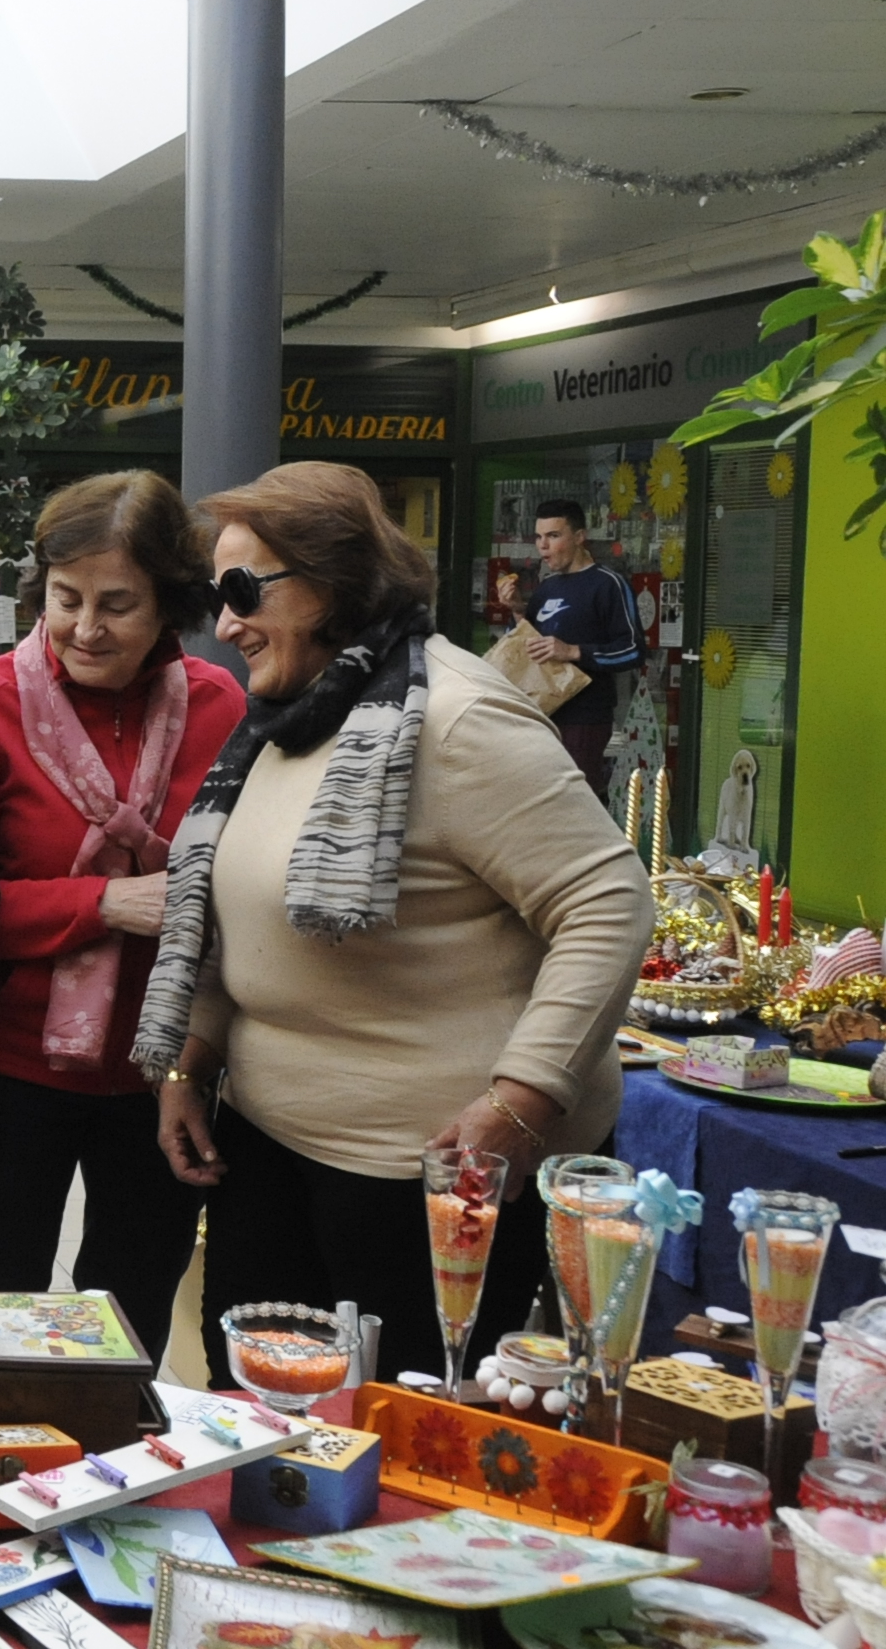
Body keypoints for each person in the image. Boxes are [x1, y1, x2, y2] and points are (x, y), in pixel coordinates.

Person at [139, 463, 655, 1387]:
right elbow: (238, 907)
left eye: (243, 591)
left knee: (402, 1446)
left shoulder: (457, 721)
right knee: (257, 1423)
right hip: (269, 1150)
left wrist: (520, 1102)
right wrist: (194, 1056)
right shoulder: (292, 714)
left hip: (426, 1180)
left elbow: (609, 900)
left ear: (333, 584)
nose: (225, 623)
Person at [0, 472, 244, 1360]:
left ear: (170, 608)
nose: (86, 629)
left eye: (118, 605)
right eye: (66, 600)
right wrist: (103, 902)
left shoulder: (219, 710)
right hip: (7, 1058)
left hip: (163, 1065)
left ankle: (115, 1472)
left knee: (136, 1295)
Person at [501, 496, 641, 795]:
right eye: (539, 537)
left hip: (585, 718)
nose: (543, 546)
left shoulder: (608, 584)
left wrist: (574, 651)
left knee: (574, 803)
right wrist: (516, 611)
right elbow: (525, 650)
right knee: (538, 802)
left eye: (553, 535)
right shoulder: (546, 587)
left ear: (579, 537)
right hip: (539, 715)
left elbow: (633, 650)